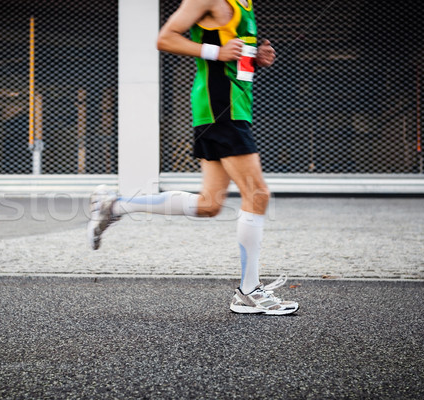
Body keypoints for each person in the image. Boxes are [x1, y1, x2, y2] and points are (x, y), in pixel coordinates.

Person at [87, 0, 298, 315]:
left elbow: (232, 51)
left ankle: (115, 205)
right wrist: (216, 52)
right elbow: (165, 38)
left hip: (232, 106)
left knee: (209, 204)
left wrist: (256, 58)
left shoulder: (246, 4)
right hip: (220, 107)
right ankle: (248, 291)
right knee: (257, 194)